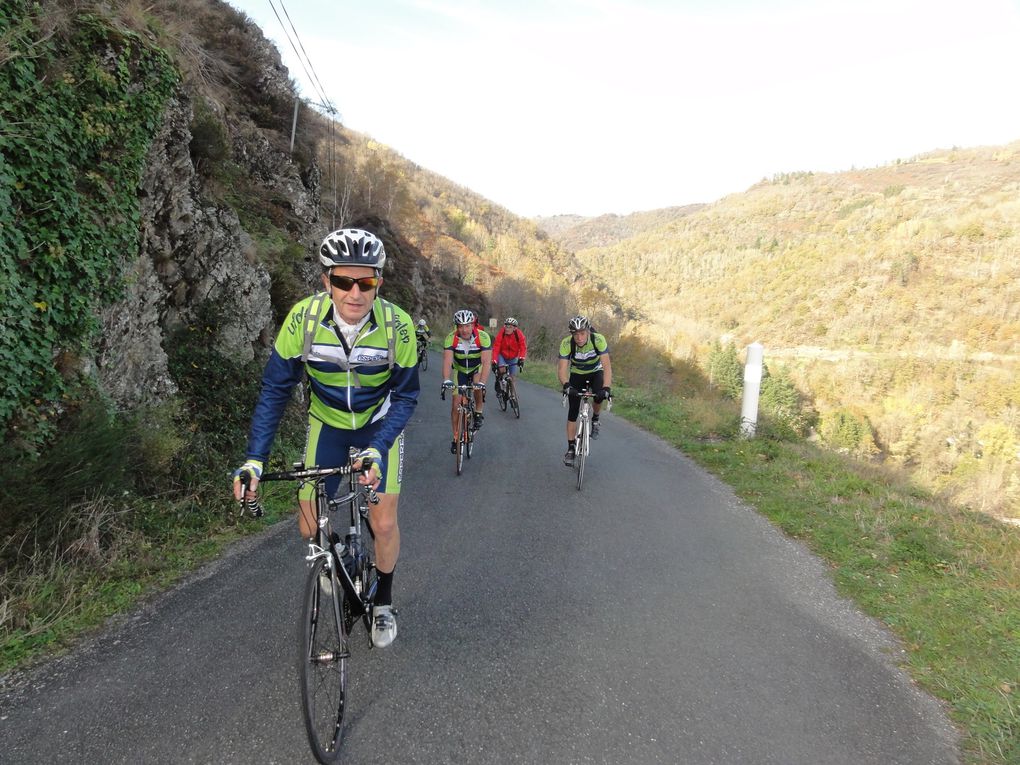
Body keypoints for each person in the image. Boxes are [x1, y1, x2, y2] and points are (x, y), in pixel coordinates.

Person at [232, 228, 419, 648]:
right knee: (307, 524)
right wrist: (254, 460)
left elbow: (407, 396)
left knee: (383, 520)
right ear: (326, 281)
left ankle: (384, 603)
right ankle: (335, 564)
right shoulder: (302, 320)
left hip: (378, 423)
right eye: (343, 281)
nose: (355, 292)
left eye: (366, 282)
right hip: (327, 423)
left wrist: (378, 447)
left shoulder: (398, 327)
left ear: (378, 283)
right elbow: (275, 390)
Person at [557, 315, 612, 466]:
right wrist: (567, 385)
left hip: (596, 371)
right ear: (571, 334)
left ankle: (595, 419)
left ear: (588, 331)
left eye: (582, 333)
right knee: (573, 411)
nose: (579, 338)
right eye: (575, 334)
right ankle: (570, 449)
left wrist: (606, 388)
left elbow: (607, 366)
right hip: (577, 374)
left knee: (599, 395)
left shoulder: (598, 339)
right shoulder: (566, 343)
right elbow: (562, 369)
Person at [441, 309, 491, 452]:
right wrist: (446, 379)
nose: (464, 330)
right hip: (460, 370)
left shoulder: (483, 337)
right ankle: (456, 437)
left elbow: (486, 362)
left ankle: (478, 412)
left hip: (476, 368)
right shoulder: (451, 338)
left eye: (468, 325)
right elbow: (447, 360)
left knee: (477, 389)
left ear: (473, 325)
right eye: (461, 326)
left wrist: (482, 383)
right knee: (456, 403)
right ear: (456, 327)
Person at [490, 316, 527, 396]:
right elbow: (496, 347)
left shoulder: (518, 334)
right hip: (502, 355)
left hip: (513, 357)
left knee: (512, 377)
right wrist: (494, 361)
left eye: (510, 327)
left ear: (514, 328)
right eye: (506, 326)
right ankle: (499, 380)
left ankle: (513, 395)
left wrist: (521, 358)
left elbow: (523, 347)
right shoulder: (502, 333)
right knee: (502, 370)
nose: (507, 329)